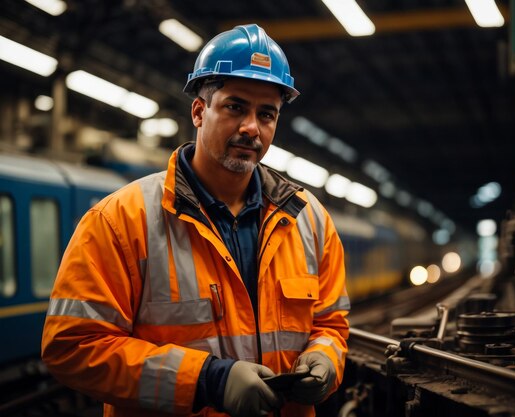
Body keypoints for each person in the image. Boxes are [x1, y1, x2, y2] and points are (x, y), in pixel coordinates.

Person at [41, 23, 350, 417]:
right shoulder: (121, 219)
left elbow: (331, 326)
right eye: (235, 107)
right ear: (199, 111)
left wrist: (324, 360)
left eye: (266, 114)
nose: (251, 127)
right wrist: (207, 381)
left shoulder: (310, 221)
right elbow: (72, 346)